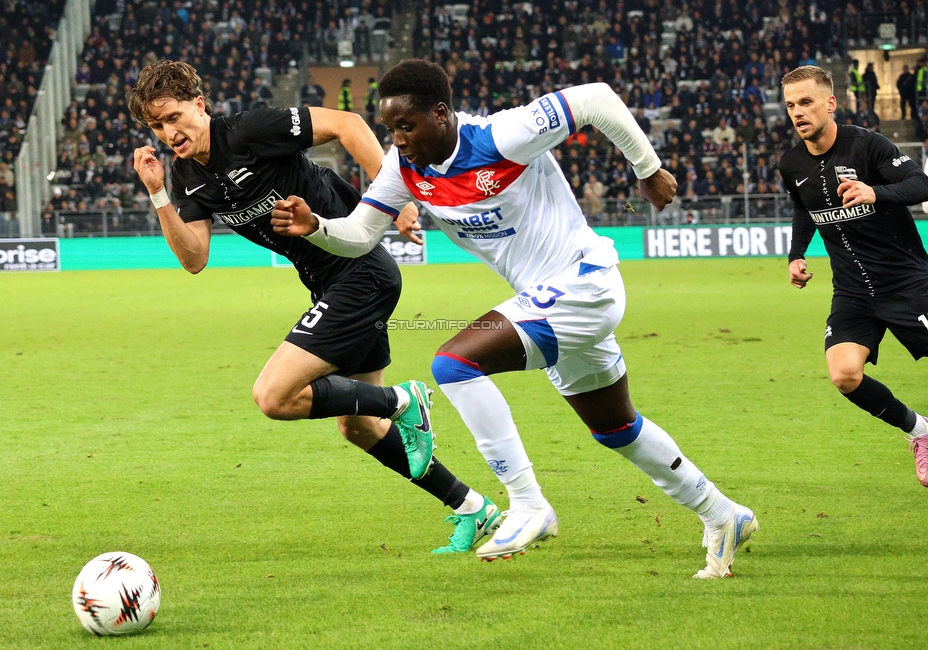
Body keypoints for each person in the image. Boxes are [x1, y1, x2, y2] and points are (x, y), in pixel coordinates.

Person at [272, 59, 758, 578]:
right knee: (616, 427)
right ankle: (723, 514)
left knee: (454, 364)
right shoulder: (404, 166)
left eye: (407, 126)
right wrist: (317, 226)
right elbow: (363, 234)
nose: (399, 140)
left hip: (583, 282)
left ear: (441, 113)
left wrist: (648, 169)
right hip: (549, 299)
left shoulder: (503, 134)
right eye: (391, 128)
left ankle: (527, 504)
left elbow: (596, 97)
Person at [128, 59, 502, 554]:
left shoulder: (250, 130)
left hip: (360, 271)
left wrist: (396, 196)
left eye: (174, 117)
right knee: (359, 426)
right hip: (332, 286)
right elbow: (194, 259)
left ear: (200, 105)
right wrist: (158, 194)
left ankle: (406, 400)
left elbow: (347, 124)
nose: (168, 132)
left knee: (274, 396)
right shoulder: (187, 177)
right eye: (157, 126)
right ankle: (473, 508)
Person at [778, 65, 928, 487]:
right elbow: (803, 208)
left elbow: (921, 183)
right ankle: (921, 432)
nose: (798, 113)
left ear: (830, 102)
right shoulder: (790, 163)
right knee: (844, 374)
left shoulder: (867, 145)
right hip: (852, 292)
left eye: (806, 102)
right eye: (790, 105)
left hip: (907, 282)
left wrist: (874, 191)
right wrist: (796, 254)